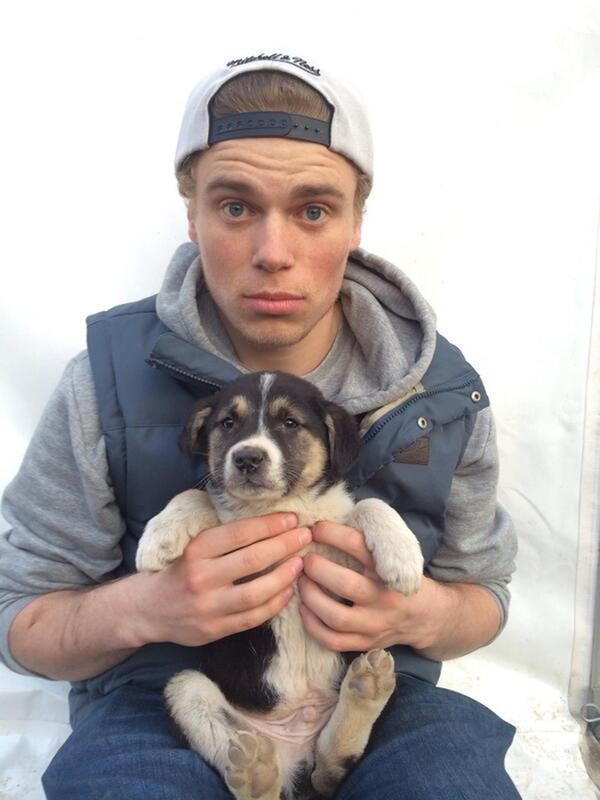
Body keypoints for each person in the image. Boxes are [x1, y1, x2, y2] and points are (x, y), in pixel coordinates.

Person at [0, 52, 520, 799]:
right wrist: (142, 608)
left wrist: (425, 610)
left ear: (356, 223)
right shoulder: (103, 380)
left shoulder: (444, 392)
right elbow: (18, 614)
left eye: (313, 209)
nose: (273, 255)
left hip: (380, 692)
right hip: (164, 692)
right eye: (236, 206)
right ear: (192, 214)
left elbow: (487, 593)